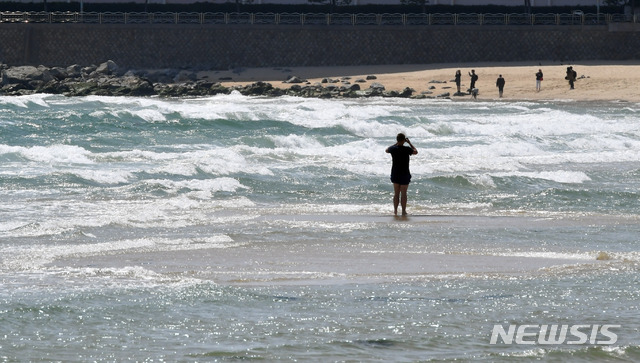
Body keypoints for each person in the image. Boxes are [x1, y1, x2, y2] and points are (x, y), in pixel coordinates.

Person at [386, 133, 418, 216]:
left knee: (396, 193)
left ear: (397, 140)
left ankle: (395, 211)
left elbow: (387, 150)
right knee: (404, 193)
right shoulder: (407, 149)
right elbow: (415, 151)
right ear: (404, 140)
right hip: (404, 173)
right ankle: (403, 211)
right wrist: (409, 143)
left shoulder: (393, 149)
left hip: (395, 173)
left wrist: (396, 143)